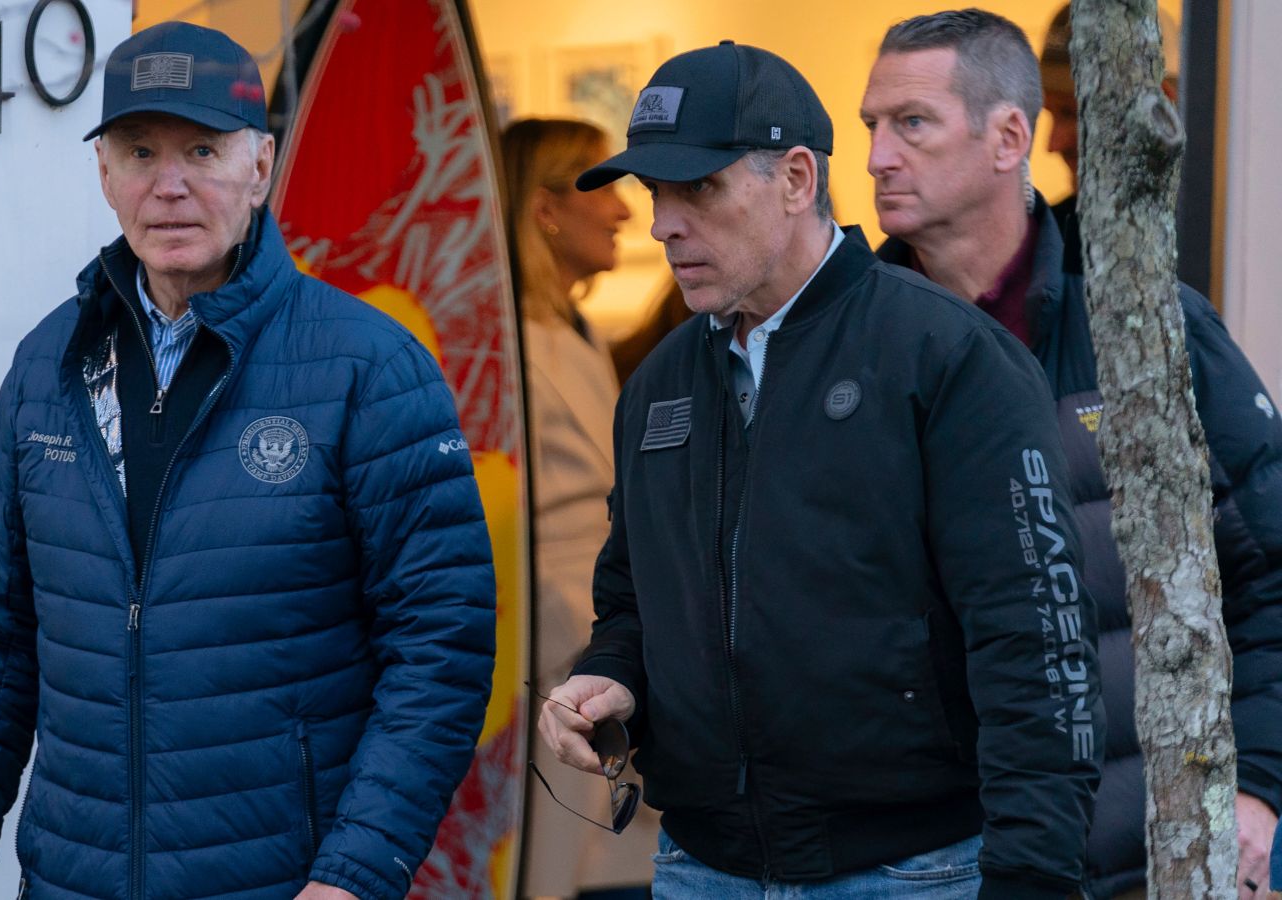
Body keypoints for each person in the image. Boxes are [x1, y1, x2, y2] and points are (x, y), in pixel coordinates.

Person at [0, 22, 496, 900]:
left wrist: (356, 873)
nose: (169, 185)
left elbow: (439, 651)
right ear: (104, 173)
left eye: (203, 151)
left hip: (282, 881)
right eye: (141, 152)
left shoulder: (367, 369)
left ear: (260, 166)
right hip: (73, 879)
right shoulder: (48, 368)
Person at [537, 40, 1104, 899]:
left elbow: (1034, 642)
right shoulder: (657, 385)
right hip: (700, 868)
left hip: (913, 871)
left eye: (699, 189)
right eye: (655, 193)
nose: (663, 224)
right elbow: (632, 602)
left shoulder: (946, 356)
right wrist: (611, 676)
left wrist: (1032, 877)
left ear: (797, 179)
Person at [862, 10, 1282, 898]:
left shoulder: (1148, 331)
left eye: (912, 123)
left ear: (1008, 137)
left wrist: (1256, 788)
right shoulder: (847, 353)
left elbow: (1271, 574)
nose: (876, 158)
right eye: (872, 126)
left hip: (1123, 860)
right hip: (913, 866)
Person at [500, 117, 659, 900]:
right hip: (551, 663)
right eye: (603, 188)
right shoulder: (504, 354)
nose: (626, 210)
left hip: (605, 659)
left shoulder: (580, 331)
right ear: (546, 210)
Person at [1037, 3, 1178, 231]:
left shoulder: (1225, 235)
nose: (1053, 144)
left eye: (1071, 113)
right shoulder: (1047, 236)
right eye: (1051, 113)